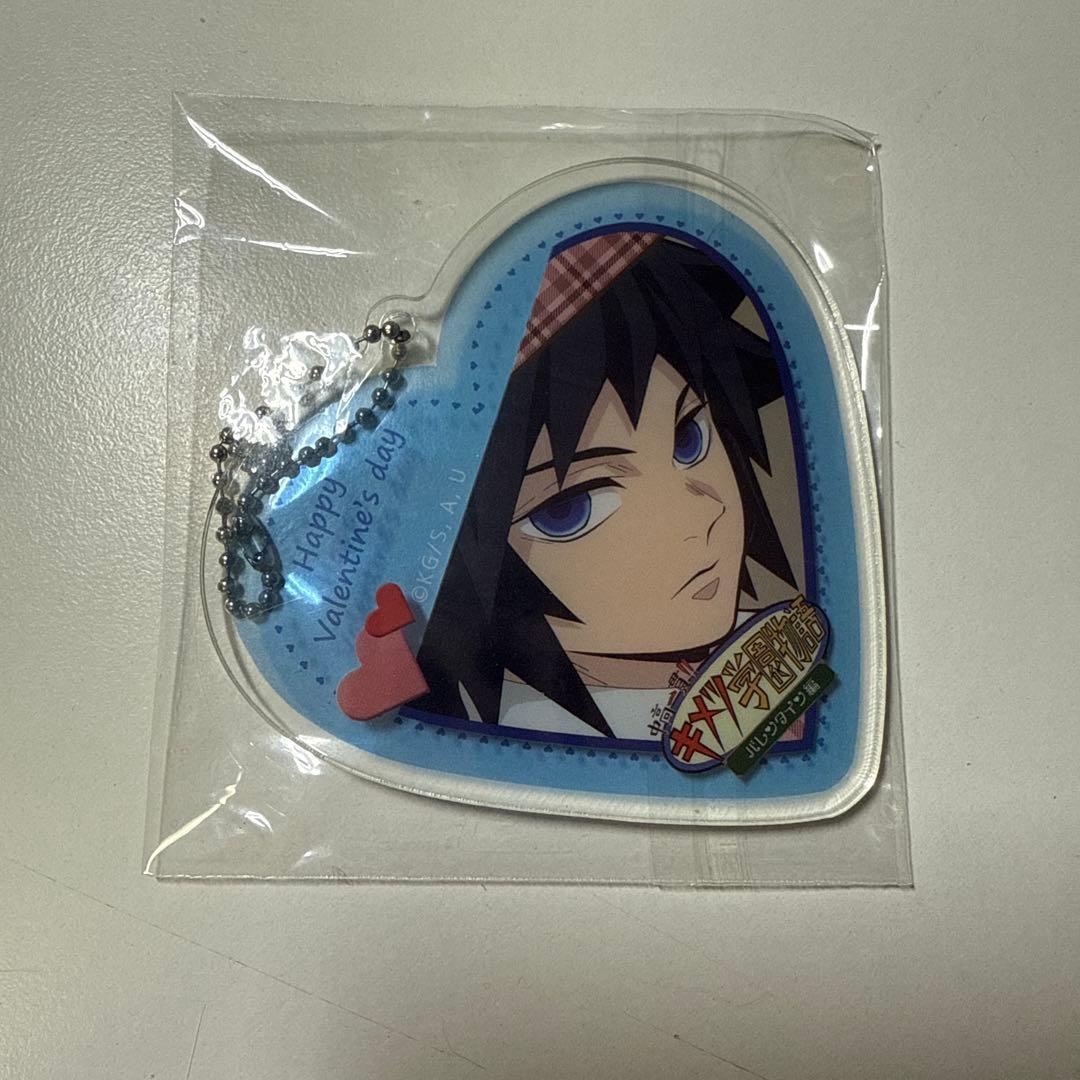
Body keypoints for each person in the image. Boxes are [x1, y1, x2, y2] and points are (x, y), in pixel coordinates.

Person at [416, 230, 801, 740]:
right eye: (571, 509)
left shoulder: (778, 645)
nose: (700, 515)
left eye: (688, 438)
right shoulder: (527, 734)